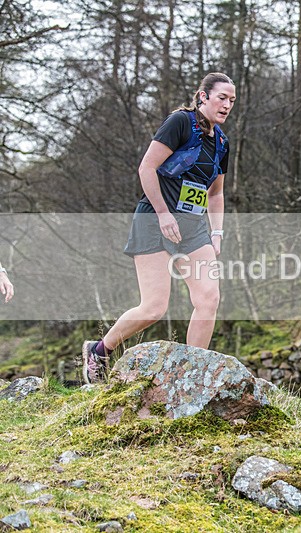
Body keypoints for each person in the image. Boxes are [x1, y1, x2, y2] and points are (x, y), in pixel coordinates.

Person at [82, 72, 236, 384]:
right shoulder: (180, 123)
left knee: (209, 298)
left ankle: (192, 376)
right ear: (202, 96)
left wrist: (217, 233)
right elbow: (147, 167)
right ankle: (99, 350)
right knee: (154, 307)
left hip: (193, 227)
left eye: (232, 101)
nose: (227, 105)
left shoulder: (221, 143)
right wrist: (164, 214)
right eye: (222, 97)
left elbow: (216, 193)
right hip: (154, 220)